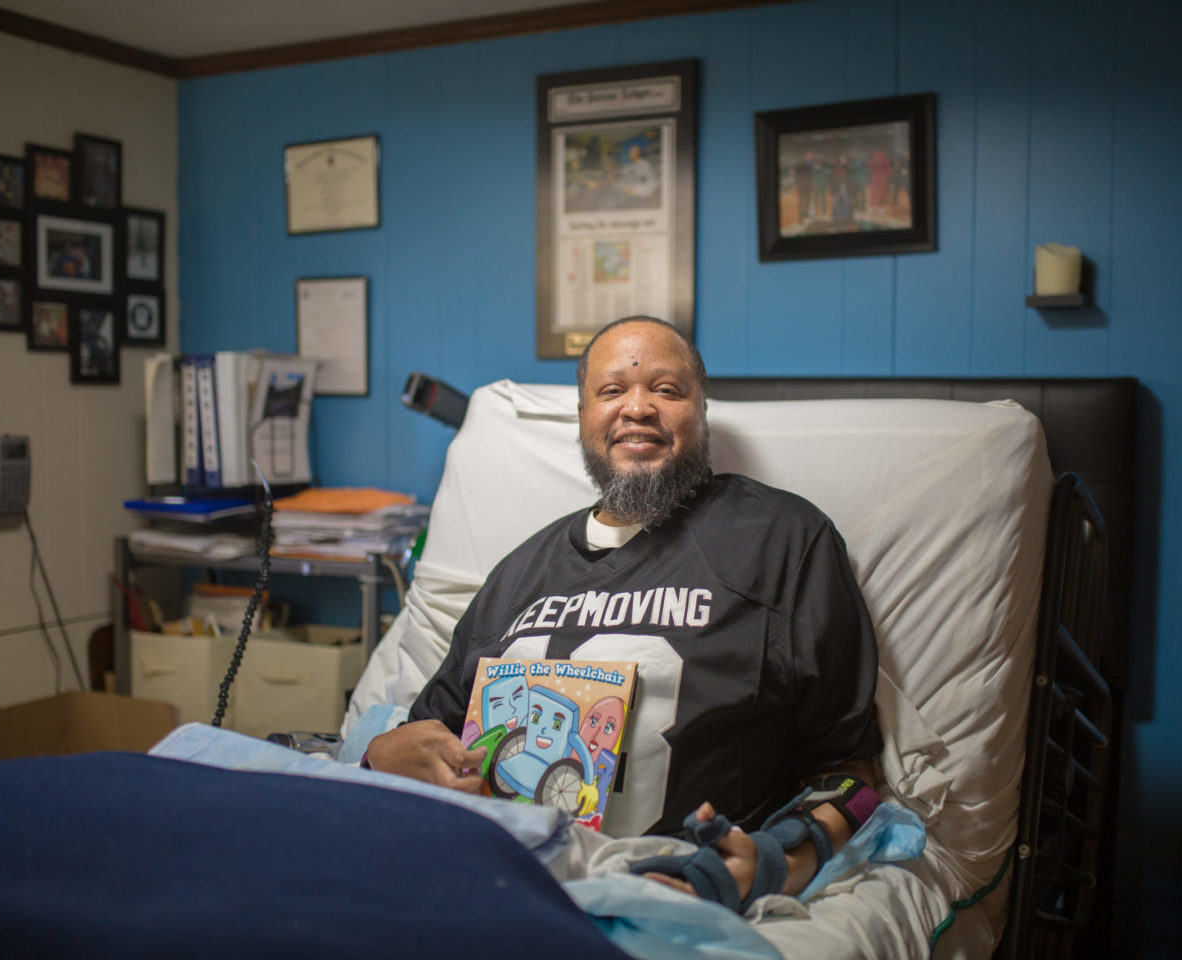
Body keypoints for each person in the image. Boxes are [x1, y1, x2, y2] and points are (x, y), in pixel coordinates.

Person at [364, 316, 883, 907]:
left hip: (675, 896)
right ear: (584, 419)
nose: (637, 407)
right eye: (611, 391)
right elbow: (427, 738)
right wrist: (380, 752)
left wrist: (778, 861)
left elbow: (854, 776)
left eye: (667, 390)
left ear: (702, 411)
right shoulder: (517, 574)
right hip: (485, 882)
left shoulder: (781, 539)